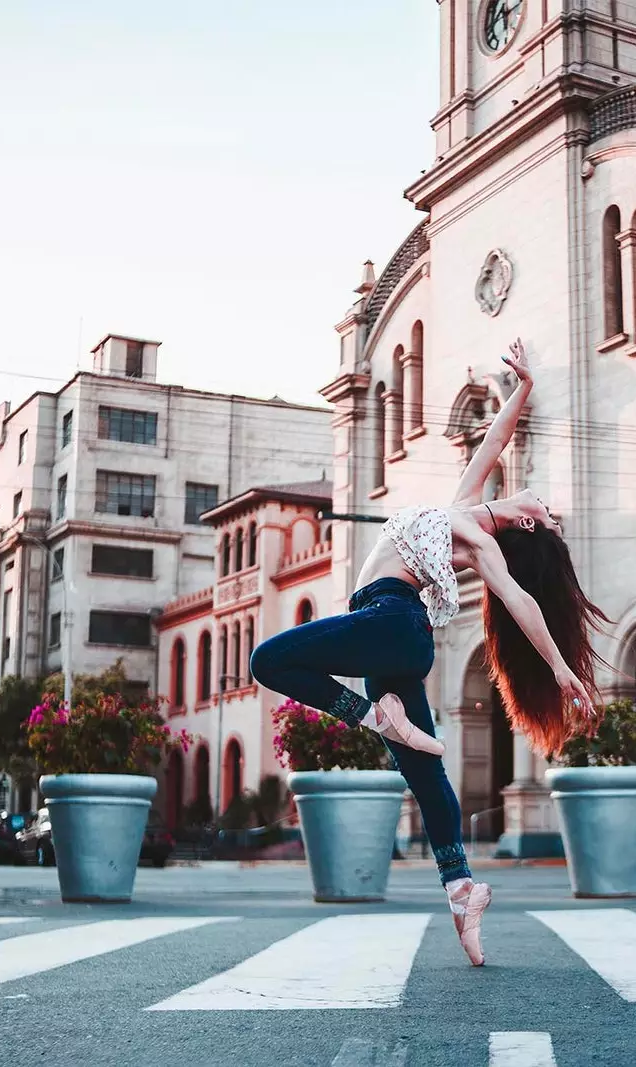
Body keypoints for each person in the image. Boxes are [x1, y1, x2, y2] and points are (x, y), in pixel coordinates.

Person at [251, 338, 608, 967]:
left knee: (268, 661)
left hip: (389, 622)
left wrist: (557, 666)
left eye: (544, 513)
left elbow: (522, 604)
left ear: (525, 523)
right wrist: (522, 388)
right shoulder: (467, 509)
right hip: (397, 641)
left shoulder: (478, 537)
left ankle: (372, 718)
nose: (541, 504)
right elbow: (493, 444)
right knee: (426, 775)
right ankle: (461, 890)